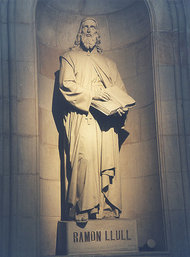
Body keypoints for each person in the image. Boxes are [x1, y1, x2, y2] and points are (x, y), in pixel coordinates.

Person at [59, 17, 131, 222]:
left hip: (106, 121)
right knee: (85, 159)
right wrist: (93, 95)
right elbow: (66, 85)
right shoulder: (69, 57)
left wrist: (121, 108)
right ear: (79, 33)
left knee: (105, 164)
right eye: (85, 28)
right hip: (83, 116)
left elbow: (120, 91)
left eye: (93, 28)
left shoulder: (109, 63)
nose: (89, 31)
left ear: (98, 35)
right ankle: (83, 207)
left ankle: (106, 208)